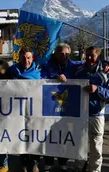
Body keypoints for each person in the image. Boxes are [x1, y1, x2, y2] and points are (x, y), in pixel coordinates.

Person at [41, 43, 83, 172]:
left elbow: (91, 64)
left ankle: (63, 162)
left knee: (65, 134)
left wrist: (104, 65)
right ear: (56, 53)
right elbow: (40, 79)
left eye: (66, 53)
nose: (64, 56)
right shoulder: (47, 65)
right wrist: (54, 78)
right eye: (61, 53)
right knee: (49, 134)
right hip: (49, 105)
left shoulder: (75, 65)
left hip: (68, 106)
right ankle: (48, 161)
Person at [75, 46, 109, 172]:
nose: (89, 58)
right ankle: (79, 167)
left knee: (95, 146)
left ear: (98, 56)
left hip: (96, 114)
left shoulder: (105, 73)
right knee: (79, 143)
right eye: (87, 55)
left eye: (92, 55)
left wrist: (98, 89)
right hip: (79, 113)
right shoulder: (79, 70)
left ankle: (94, 170)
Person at [8, 47, 41, 172]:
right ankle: (23, 162)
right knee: (21, 136)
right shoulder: (12, 70)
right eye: (23, 57)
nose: (26, 60)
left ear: (32, 58)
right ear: (19, 58)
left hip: (35, 109)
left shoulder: (39, 71)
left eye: (28, 57)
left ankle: (35, 162)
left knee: (34, 136)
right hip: (18, 109)